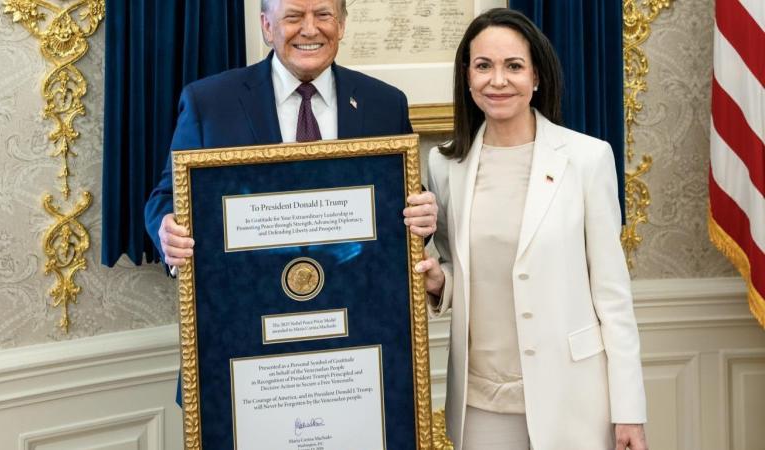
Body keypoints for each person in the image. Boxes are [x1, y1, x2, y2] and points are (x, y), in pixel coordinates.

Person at [413, 8, 648, 450]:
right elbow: (455, 266)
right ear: (467, 77)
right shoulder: (444, 165)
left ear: (536, 77)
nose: (497, 80)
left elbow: (612, 295)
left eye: (513, 66)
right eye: (483, 66)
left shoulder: (587, 159)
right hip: (480, 402)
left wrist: (629, 412)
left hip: (573, 396)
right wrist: (438, 280)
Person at [145, 0, 438, 265]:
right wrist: (168, 231)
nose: (310, 30)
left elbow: (402, 201)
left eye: (323, 15)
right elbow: (168, 196)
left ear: (342, 24)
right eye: (294, 16)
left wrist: (422, 215)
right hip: (248, 302)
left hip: (357, 299)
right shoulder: (209, 104)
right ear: (267, 26)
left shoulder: (385, 104)